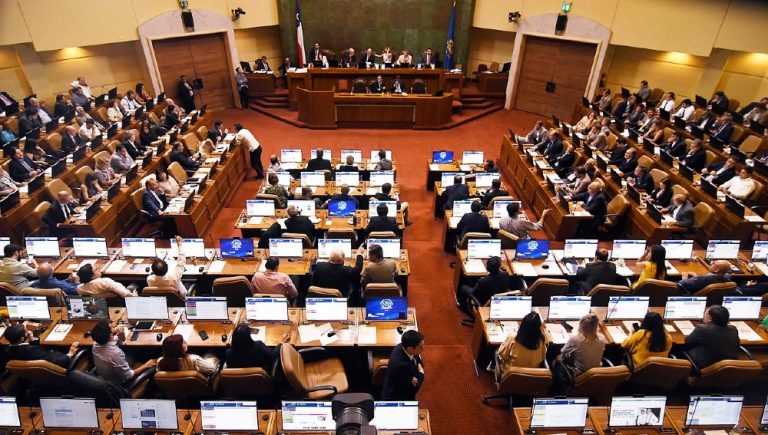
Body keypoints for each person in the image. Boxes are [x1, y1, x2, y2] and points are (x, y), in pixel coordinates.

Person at [90, 320, 156, 385]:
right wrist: (146, 365)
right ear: (110, 336)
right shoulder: (115, 353)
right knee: (147, 355)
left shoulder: (97, 344)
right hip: (121, 383)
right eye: (111, 327)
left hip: (110, 373)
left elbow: (121, 342)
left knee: (134, 347)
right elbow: (128, 376)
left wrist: (121, 334)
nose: (114, 326)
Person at [3, 324, 78, 368]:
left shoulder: (8, 350)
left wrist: (32, 339)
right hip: (59, 367)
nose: (29, 331)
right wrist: (69, 354)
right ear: (22, 338)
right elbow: (58, 361)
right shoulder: (32, 351)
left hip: (33, 375)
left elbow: (33, 353)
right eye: (26, 331)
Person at [497, 312, 549, 376]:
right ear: (538, 327)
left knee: (496, 352)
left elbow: (502, 355)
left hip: (510, 376)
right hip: (532, 377)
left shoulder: (513, 338)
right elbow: (543, 357)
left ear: (522, 325)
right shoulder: (541, 341)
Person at [558, 314, 605, 379]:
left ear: (581, 325)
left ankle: (556, 384)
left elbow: (563, 352)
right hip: (596, 374)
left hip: (580, 374)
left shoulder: (575, 339)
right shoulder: (602, 338)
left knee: (558, 359)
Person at [381, 330, 425, 401]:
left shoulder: (402, 346)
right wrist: (421, 373)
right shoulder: (402, 366)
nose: (423, 348)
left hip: (402, 381)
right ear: (410, 349)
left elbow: (418, 360)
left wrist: (414, 377)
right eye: (420, 347)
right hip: (396, 397)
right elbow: (413, 389)